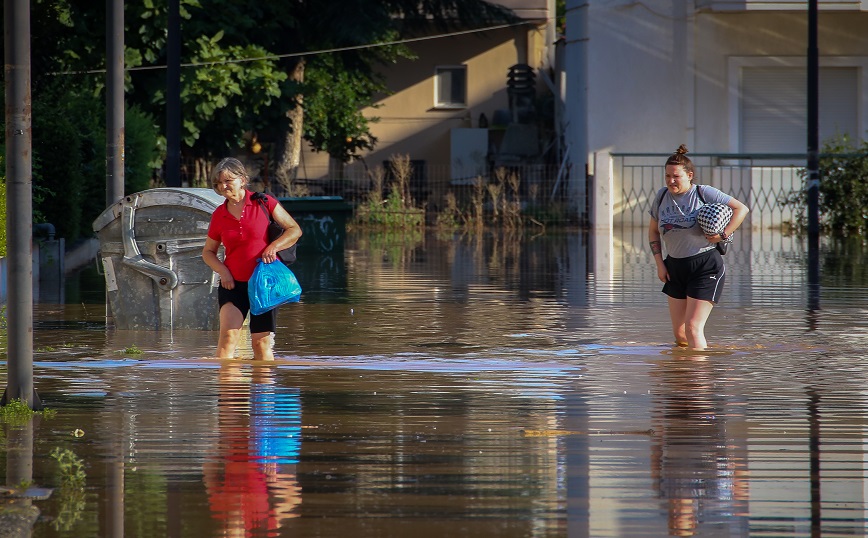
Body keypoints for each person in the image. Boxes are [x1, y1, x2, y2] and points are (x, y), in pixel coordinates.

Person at [648, 145, 749, 349]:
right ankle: (683, 376)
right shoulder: (661, 197)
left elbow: (741, 208)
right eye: (667, 176)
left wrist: (723, 234)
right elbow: (653, 231)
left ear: (689, 175)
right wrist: (660, 263)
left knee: (693, 328)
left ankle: (699, 378)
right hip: (674, 267)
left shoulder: (703, 193)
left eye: (676, 176)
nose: (671, 181)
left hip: (705, 266)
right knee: (680, 333)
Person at [202, 157, 302, 361]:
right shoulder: (219, 214)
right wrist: (223, 272)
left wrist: (273, 246)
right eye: (219, 183)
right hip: (232, 285)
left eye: (228, 181)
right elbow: (208, 252)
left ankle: (263, 392)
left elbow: (294, 230)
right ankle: (229, 392)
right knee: (228, 338)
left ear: (242, 180)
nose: (223, 186)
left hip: (263, 285)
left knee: (260, 343)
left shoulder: (264, 203)